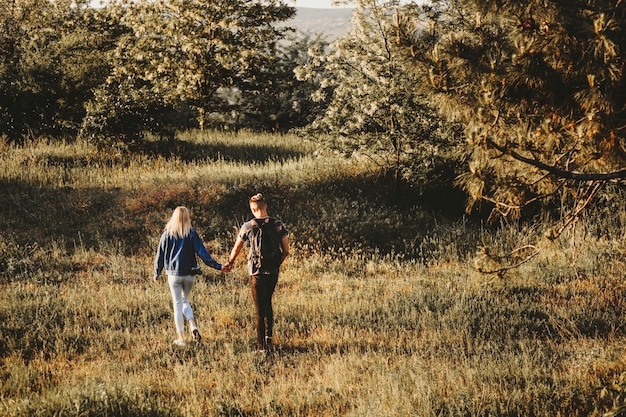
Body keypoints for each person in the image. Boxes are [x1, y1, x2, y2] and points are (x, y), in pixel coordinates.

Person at [224, 193, 289, 353]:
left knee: (259, 309)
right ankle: (269, 337)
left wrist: (230, 262)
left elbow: (237, 247)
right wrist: (276, 264)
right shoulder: (278, 224)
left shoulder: (248, 226)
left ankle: (261, 347)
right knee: (268, 303)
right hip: (272, 272)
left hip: (256, 272)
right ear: (265, 206)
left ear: (253, 209)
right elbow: (286, 250)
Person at [154, 206, 225, 346]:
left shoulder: (167, 235)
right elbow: (203, 254)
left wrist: (156, 273)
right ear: (187, 218)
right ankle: (193, 326)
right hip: (190, 274)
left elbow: (159, 257)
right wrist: (219, 266)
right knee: (185, 300)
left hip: (173, 275)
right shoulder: (191, 233)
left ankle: (181, 338)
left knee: (177, 304)